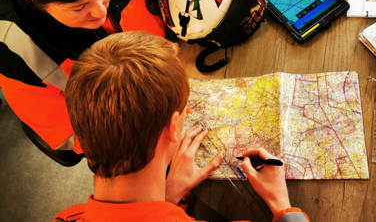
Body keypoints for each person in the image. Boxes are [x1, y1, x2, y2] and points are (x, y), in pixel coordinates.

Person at [0, 0, 268, 154]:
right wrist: (145, 131)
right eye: (79, 7)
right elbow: (70, 135)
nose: (99, 12)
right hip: (138, 134)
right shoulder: (15, 50)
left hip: (180, 69)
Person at [54, 31, 309, 222]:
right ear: (173, 127)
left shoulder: (67, 216)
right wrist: (281, 204)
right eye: (186, 108)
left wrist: (166, 198)